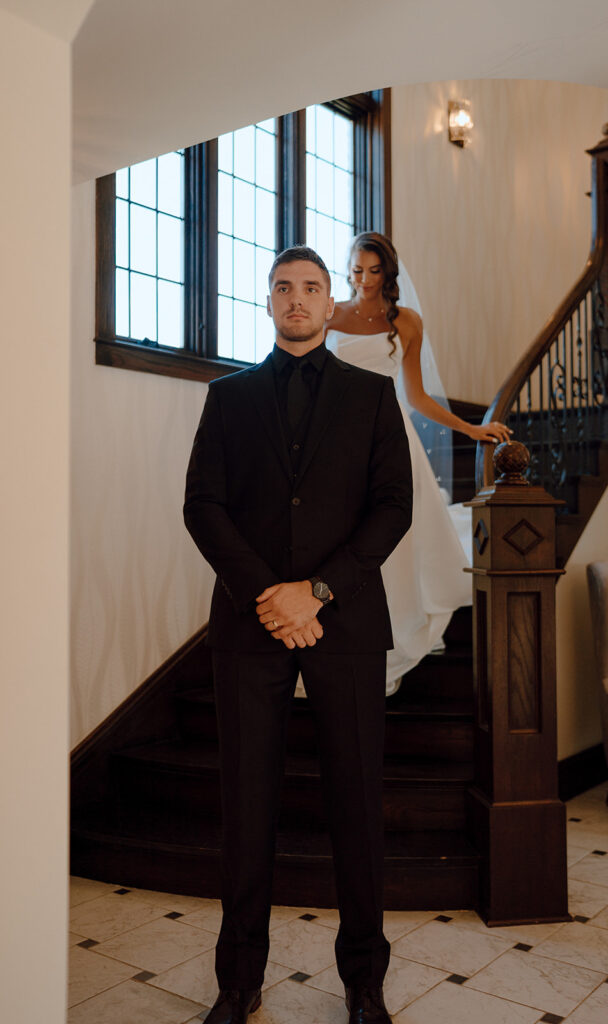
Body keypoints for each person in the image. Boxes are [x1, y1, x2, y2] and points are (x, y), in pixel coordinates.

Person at [183, 245, 412, 1024]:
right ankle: (238, 980)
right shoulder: (228, 397)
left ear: (328, 302)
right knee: (246, 809)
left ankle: (364, 982)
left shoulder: (373, 396)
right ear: (269, 300)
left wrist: (314, 593)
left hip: (346, 624)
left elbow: (392, 509)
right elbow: (202, 506)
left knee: (356, 805)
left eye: (310, 288)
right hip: (249, 631)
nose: (297, 299)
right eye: (283, 287)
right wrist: (266, 596)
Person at [324, 232, 511, 691]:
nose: (364, 280)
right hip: (337, 442)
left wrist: (470, 430)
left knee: (397, 537)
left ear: (388, 273)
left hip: (390, 437)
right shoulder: (330, 315)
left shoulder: (406, 322)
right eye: (356, 270)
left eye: (373, 271)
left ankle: (397, 627)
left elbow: (416, 396)